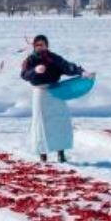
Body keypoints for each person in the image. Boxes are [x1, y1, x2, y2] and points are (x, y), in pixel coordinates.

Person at [20, 34, 90, 163]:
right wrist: (35, 71)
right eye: (37, 45)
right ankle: (43, 154)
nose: (40, 47)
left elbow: (67, 66)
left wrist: (81, 72)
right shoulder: (29, 60)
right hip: (40, 93)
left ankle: (61, 153)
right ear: (34, 46)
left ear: (47, 45)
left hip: (56, 91)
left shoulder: (53, 58)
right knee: (41, 123)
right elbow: (24, 75)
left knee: (59, 121)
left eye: (42, 44)